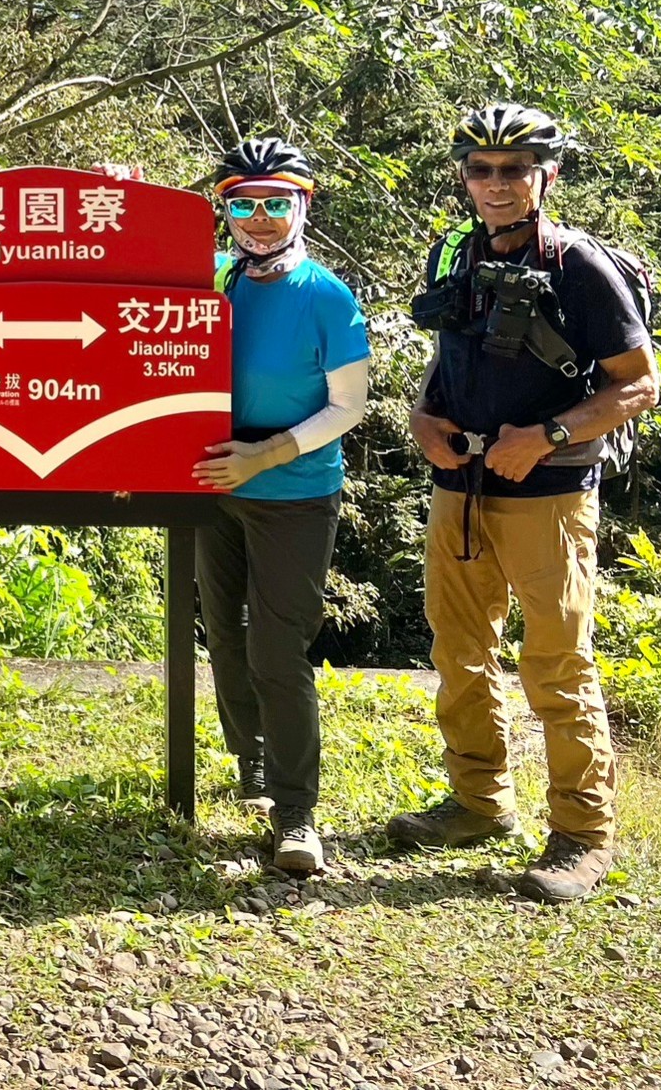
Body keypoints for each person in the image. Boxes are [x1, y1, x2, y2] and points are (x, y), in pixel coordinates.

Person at [390, 103, 656, 905]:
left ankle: (582, 834)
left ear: (548, 174)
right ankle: (478, 803)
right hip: (460, 485)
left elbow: (639, 382)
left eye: (514, 170)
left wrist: (543, 434)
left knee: (556, 662)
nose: (497, 184)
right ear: (465, 177)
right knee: (459, 650)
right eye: (482, 169)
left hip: (548, 493)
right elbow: (450, 356)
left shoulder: (580, 266)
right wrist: (423, 416)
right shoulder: (455, 253)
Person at [189, 137, 370, 878]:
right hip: (215, 489)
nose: (259, 219)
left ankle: (297, 814)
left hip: (294, 493)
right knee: (224, 639)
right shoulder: (220, 282)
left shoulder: (327, 294)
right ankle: (251, 761)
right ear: (226, 211)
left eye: (276, 202)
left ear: (304, 205)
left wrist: (266, 454)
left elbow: (348, 405)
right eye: (242, 203)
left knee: (275, 649)